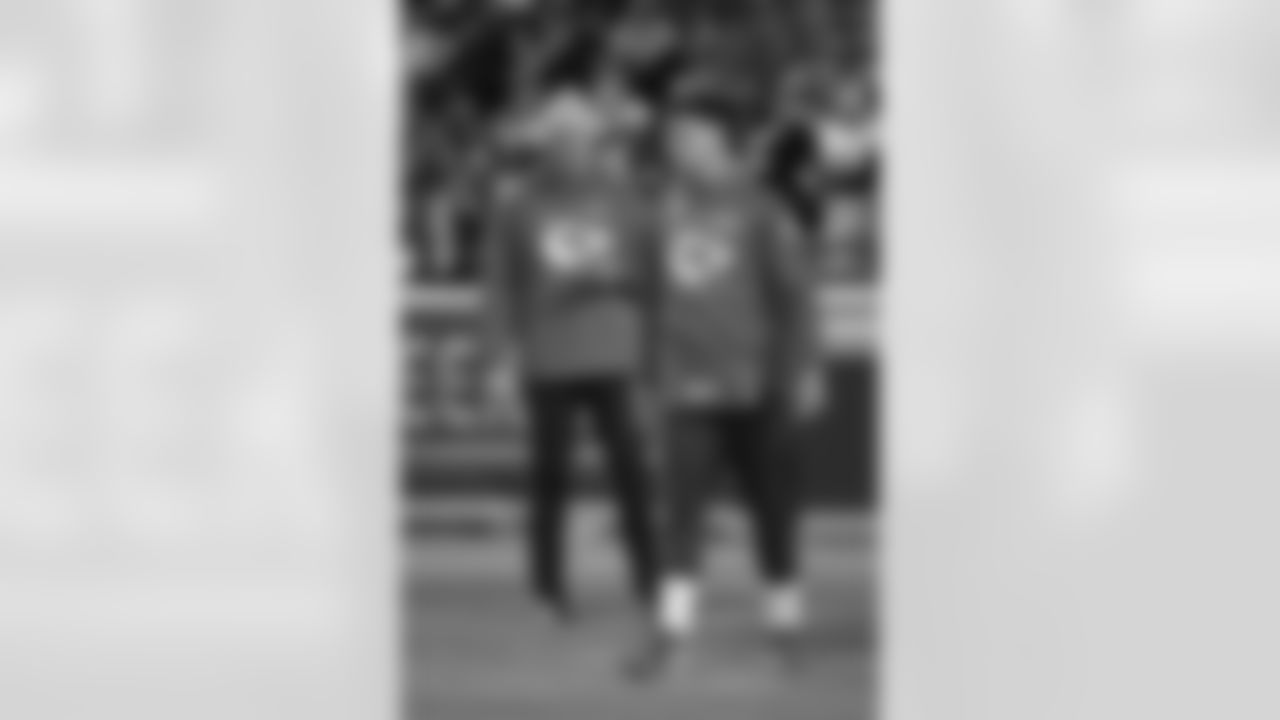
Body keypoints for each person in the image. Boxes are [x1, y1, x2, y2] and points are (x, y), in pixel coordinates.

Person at [627, 90, 827, 679]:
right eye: (672, 137)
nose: (675, 146)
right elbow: (650, 303)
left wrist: (808, 369)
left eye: (687, 135)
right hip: (686, 391)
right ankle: (669, 632)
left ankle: (786, 626)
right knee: (680, 517)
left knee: (774, 514)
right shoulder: (658, 214)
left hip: (759, 389)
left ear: (719, 141)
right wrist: (645, 379)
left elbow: (796, 299)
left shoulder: (764, 211)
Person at [482, 98, 659, 623]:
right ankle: (548, 586)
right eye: (560, 138)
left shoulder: (626, 199)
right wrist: (498, 358)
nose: (571, 147)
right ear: (545, 145)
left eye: (581, 137)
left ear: (596, 143)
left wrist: (617, 278)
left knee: (631, 470)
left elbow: (654, 272)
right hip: (549, 355)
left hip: (614, 352)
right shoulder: (518, 205)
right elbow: (499, 285)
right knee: (549, 475)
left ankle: (650, 579)